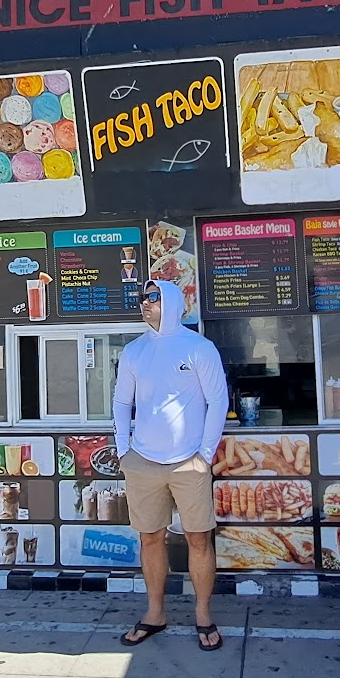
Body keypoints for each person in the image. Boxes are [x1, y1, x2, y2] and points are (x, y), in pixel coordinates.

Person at [114, 278, 230, 651]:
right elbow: (121, 404)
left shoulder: (199, 347)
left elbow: (217, 401)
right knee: (150, 538)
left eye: (152, 298)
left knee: (198, 539)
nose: (144, 304)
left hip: (189, 464)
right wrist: (123, 451)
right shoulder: (134, 351)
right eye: (142, 298)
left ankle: (203, 614)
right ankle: (155, 613)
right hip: (142, 461)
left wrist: (205, 456)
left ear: (173, 302)